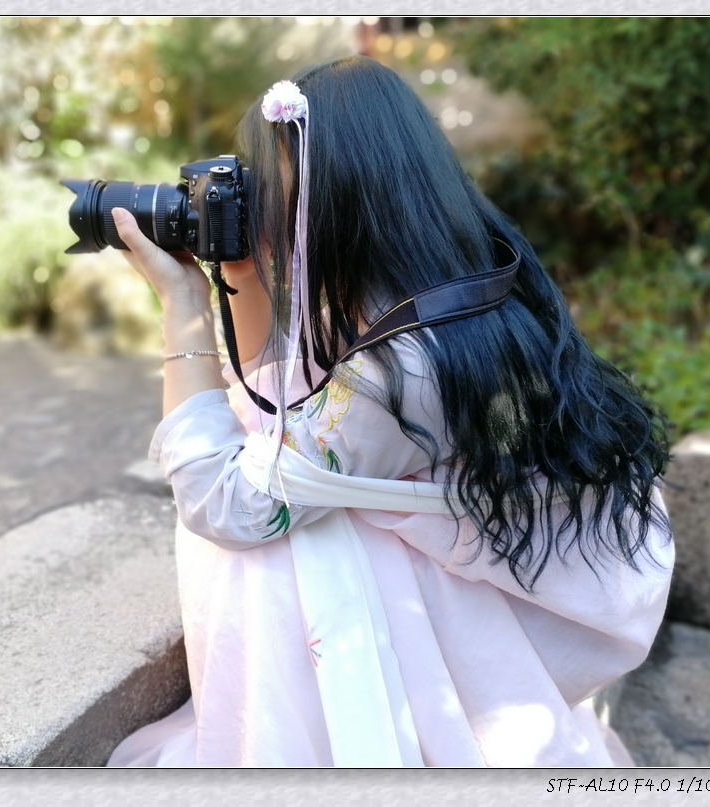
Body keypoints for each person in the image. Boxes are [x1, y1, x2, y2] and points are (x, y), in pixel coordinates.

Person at [105, 55, 673, 767]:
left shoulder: (402, 366)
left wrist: (184, 305)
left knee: (284, 541)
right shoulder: (441, 284)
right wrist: (243, 274)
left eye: (273, 189)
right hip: (470, 581)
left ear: (329, 196)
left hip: (447, 629)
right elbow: (277, 401)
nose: (265, 209)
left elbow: (230, 503)